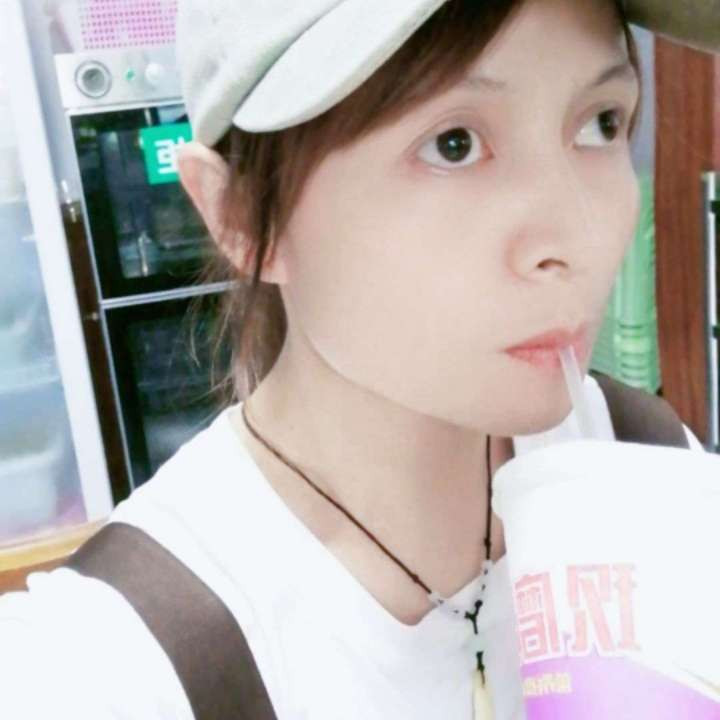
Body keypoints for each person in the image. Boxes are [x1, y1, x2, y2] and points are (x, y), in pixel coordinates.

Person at [0, 1, 716, 718]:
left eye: (601, 123)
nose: (580, 238)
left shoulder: (642, 460)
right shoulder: (118, 661)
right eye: (455, 144)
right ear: (239, 215)